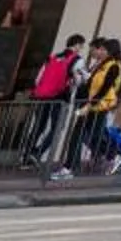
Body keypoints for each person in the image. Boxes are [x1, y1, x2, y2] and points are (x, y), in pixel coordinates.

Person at [55, 37, 121, 179]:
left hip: (98, 106)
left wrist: (90, 104)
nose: (101, 51)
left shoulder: (114, 66)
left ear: (110, 51)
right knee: (87, 135)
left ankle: (111, 155)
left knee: (92, 135)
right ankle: (70, 166)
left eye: (104, 49)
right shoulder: (102, 64)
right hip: (92, 105)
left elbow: (105, 88)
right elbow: (93, 84)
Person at [25, 35, 83, 169]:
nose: (81, 49)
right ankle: (37, 152)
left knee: (38, 126)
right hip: (60, 98)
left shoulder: (52, 57)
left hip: (42, 97)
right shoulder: (77, 60)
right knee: (57, 128)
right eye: (81, 46)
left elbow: (38, 79)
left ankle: (26, 157)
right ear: (77, 45)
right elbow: (78, 81)